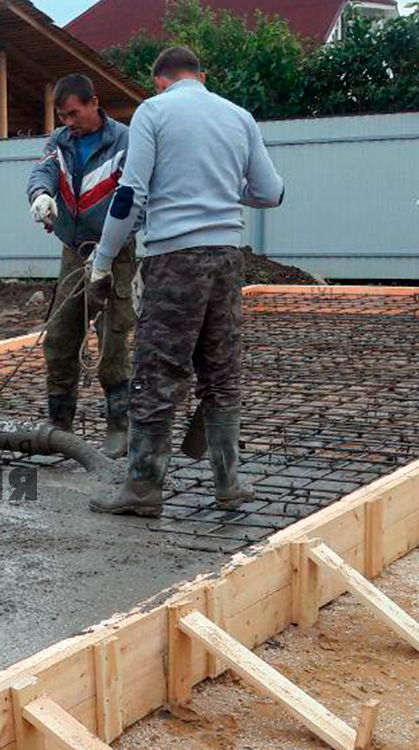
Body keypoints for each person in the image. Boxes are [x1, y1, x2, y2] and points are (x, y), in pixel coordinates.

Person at [87, 46, 284, 517]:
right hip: (227, 260)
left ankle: (142, 487)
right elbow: (271, 192)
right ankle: (229, 483)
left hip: (174, 261)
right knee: (221, 373)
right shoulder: (239, 117)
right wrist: (221, 190)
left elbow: (130, 195)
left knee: (157, 374)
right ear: (201, 75)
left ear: (159, 80)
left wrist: (103, 260)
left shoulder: (153, 112)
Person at [27, 73, 136, 458]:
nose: (68, 122)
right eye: (62, 116)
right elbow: (42, 171)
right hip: (74, 251)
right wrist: (40, 195)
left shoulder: (124, 141)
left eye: (74, 113)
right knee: (59, 337)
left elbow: (135, 196)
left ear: (94, 103)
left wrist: (109, 248)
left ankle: (120, 428)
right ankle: (60, 425)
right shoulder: (60, 142)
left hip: (116, 253)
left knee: (112, 340)